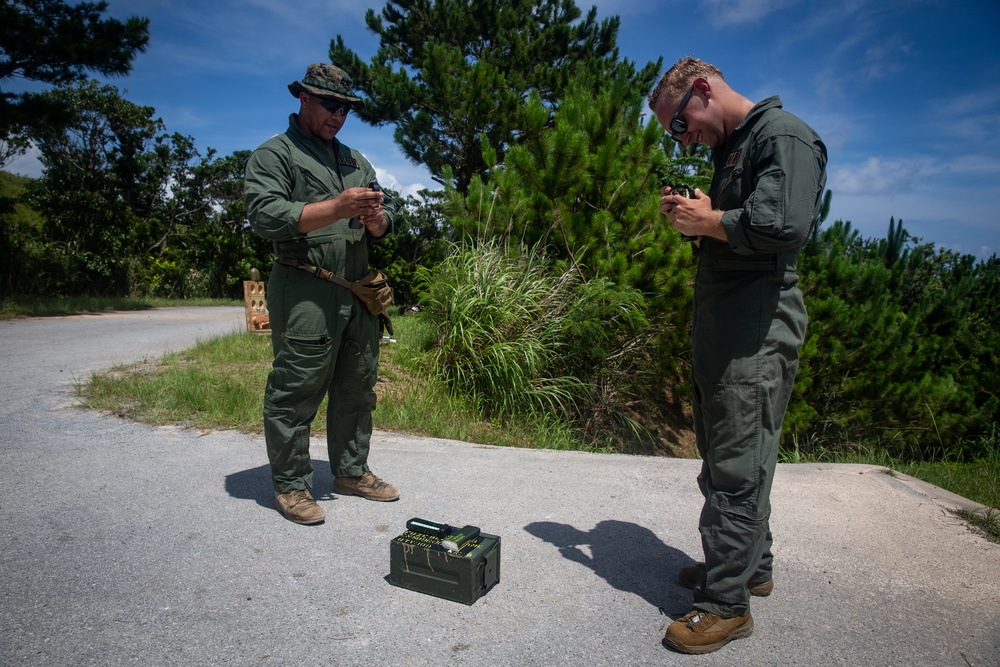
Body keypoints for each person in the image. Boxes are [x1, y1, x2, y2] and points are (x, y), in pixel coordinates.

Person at [648, 57, 827, 653]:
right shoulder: (734, 148)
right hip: (726, 330)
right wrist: (702, 222)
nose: (683, 136)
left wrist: (712, 218)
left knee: (736, 463)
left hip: (756, 329)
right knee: (738, 453)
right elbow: (741, 226)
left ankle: (726, 604)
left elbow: (784, 225)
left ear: (702, 89)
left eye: (680, 123)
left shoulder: (782, 136)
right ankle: (752, 567)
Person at [244, 63, 401, 525]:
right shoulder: (276, 155)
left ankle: (351, 472)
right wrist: (336, 207)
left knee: (358, 384)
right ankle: (292, 485)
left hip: (356, 291)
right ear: (305, 99)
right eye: (331, 105)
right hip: (305, 288)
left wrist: (378, 221)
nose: (339, 115)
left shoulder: (355, 160)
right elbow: (266, 216)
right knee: (297, 387)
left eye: (346, 109)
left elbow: (387, 219)